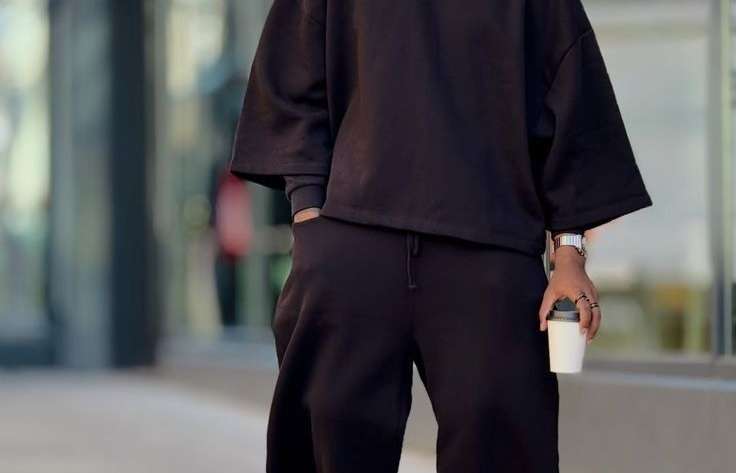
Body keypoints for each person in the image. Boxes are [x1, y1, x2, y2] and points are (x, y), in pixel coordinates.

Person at [229, 1, 653, 472]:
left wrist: (569, 255)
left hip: (491, 254)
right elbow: (293, 71)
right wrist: (309, 214)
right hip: (350, 245)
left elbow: (569, 90)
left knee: (506, 454)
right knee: (328, 450)